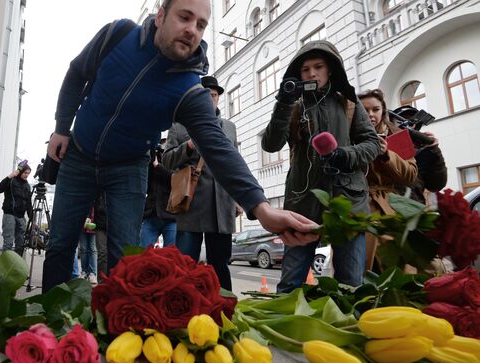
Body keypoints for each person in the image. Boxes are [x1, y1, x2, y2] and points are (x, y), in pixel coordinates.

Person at [42, 0, 318, 293]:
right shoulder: (119, 34)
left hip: (129, 168)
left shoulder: (189, 89)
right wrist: (61, 128)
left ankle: (113, 331)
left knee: (123, 258)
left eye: (200, 25)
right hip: (79, 155)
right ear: (160, 16)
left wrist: (260, 208)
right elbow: (76, 73)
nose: (191, 30)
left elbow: (219, 148)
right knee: (60, 244)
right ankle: (47, 328)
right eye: (184, 17)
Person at [261, 40, 381, 293]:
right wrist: (283, 102)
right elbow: (270, 145)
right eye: (305, 69)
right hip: (303, 205)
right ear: (298, 73)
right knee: (290, 284)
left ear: (331, 70)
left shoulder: (349, 103)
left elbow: (372, 144)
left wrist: (344, 155)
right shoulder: (293, 106)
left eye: (318, 66)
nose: (312, 73)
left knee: (350, 285)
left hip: (348, 202)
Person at [163, 75, 239, 290]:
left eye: (213, 95)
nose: (210, 99)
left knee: (220, 266)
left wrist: (239, 199)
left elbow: (235, 164)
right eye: (204, 95)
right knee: (185, 265)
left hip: (221, 206)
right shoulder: (178, 127)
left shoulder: (230, 127)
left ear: (218, 98)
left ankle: (225, 310)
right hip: (191, 204)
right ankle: (182, 310)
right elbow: (167, 161)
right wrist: (187, 147)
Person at [359, 89, 418, 271]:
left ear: (383, 111)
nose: (370, 115)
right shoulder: (347, 136)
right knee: (360, 268)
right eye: (365, 110)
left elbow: (411, 175)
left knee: (397, 266)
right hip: (358, 207)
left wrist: (387, 155)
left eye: (375, 109)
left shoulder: (396, 135)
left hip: (390, 208)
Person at [390, 106, 447, 205]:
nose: (408, 125)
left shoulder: (424, 151)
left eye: (412, 121)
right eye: (402, 120)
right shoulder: (384, 144)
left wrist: (434, 150)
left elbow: (436, 185)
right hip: (387, 208)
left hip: (414, 209)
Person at [140, 139, 176, 247]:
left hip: (171, 214)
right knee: (143, 252)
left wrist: (158, 166)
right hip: (151, 213)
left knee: (171, 254)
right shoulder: (152, 160)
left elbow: (176, 181)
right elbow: (145, 185)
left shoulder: (176, 160)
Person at [0, 162, 33, 256]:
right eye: (25, 172)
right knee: (8, 243)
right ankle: (5, 267)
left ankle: (16, 266)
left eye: (28, 173)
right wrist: (9, 177)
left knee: (20, 244)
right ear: (20, 172)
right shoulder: (11, 181)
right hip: (9, 215)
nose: (27, 175)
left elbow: (29, 204)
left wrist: (32, 220)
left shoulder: (27, 186)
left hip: (21, 217)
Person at [79, 208, 98, 284]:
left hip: (94, 223)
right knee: (83, 248)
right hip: (82, 224)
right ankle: (84, 272)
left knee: (92, 248)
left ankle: (92, 273)